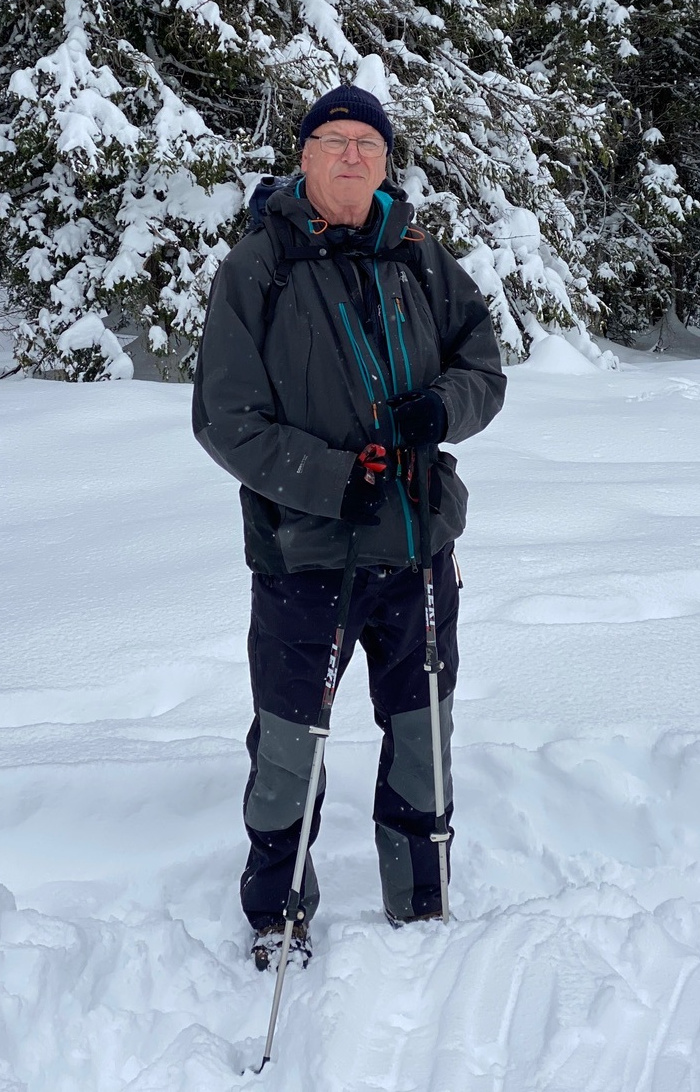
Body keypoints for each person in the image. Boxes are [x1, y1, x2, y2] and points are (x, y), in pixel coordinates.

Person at [192, 84, 506, 968]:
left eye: (368, 144)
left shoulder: (420, 257)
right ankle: (279, 912)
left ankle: (421, 899)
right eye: (334, 141)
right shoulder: (259, 267)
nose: (352, 157)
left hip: (418, 545)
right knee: (291, 744)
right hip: (306, 554)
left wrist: (440, 411)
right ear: (304, 157)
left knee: (423, 730)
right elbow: (226, 419)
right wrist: (334, 481)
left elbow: (483, 368)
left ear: (385, 161)